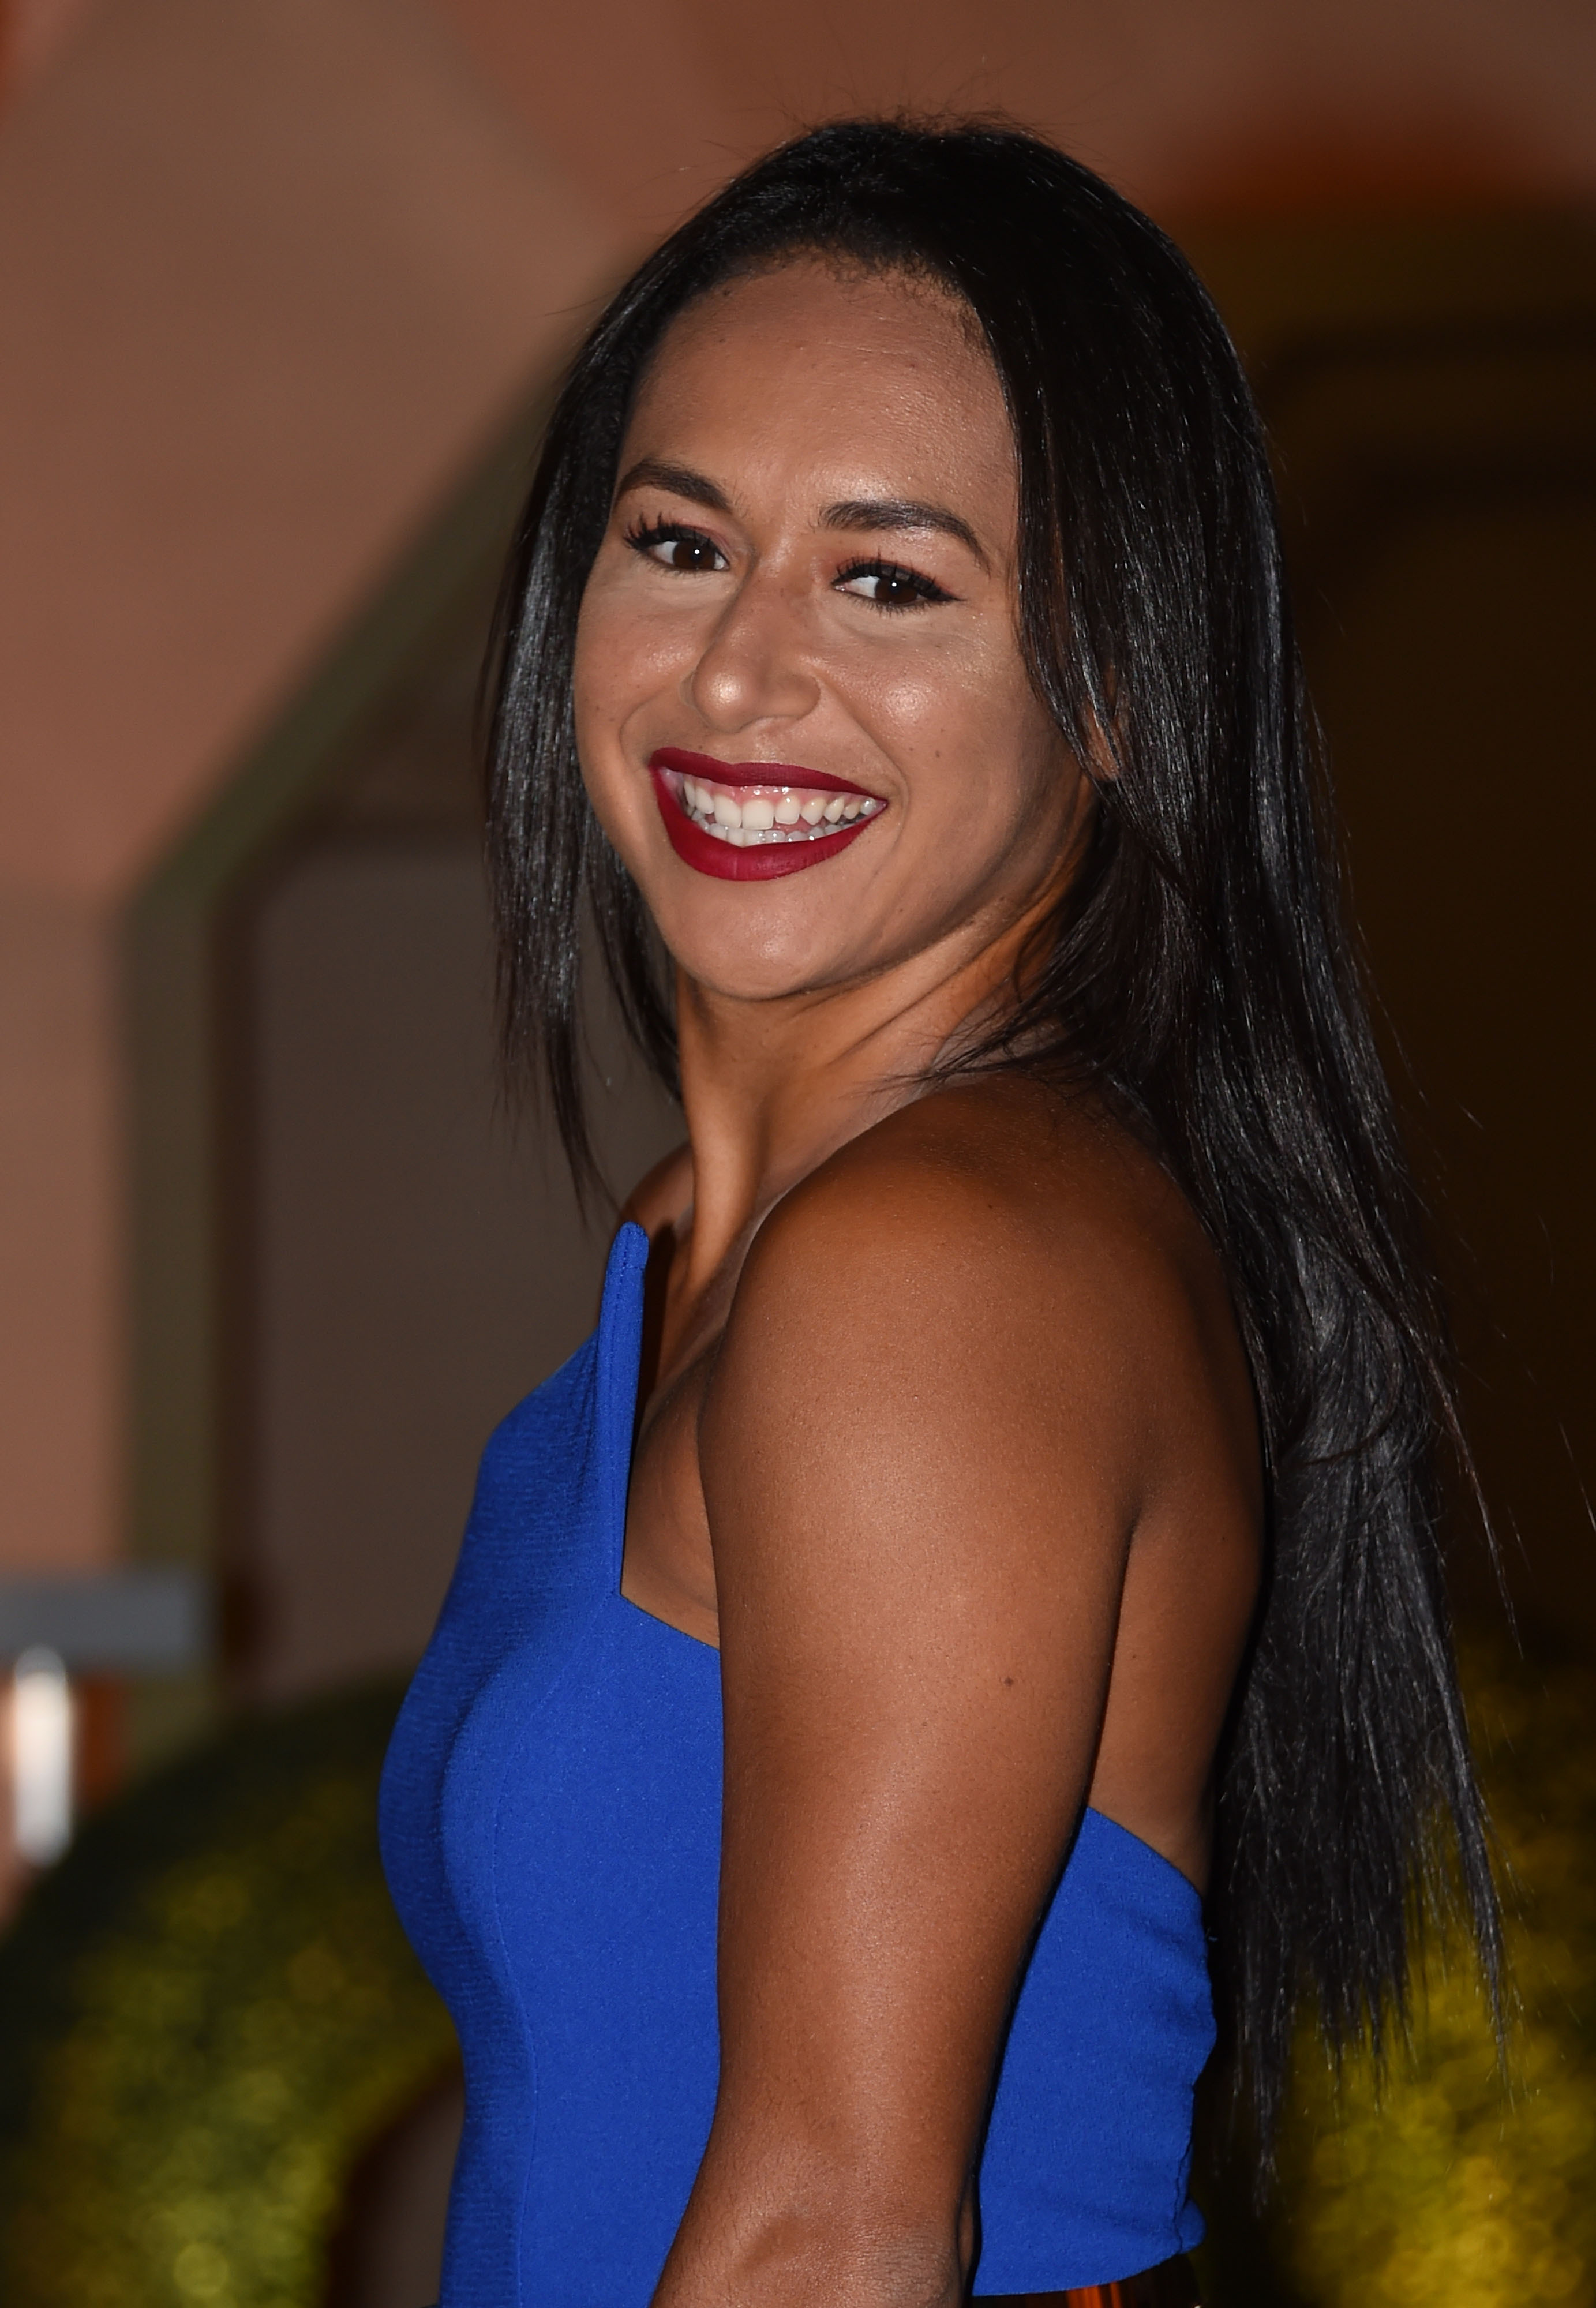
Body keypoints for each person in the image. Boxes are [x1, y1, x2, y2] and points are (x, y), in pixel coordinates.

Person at [379, 118, 1498, 2308]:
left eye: (893, 580)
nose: (737, 677)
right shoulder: (718, 1224)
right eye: (680, 543)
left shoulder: (936, 1273)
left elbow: (837, 2239)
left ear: (1112, 687)